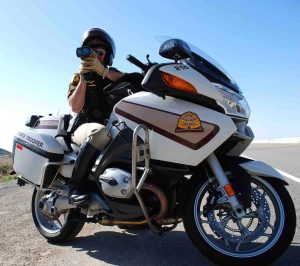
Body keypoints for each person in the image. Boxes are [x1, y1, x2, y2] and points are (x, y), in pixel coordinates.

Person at [67, 27, 142, 204]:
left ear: (107, 55)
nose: (95, 56)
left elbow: (138, 80)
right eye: (92, 52)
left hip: (113, 127)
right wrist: (84, 79)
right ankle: (75, 187)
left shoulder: (114, 74)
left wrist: (103, 71)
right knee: (99, 132)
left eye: (99, 52)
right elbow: (75, 107)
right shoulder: (78, 77)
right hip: (85, 127)